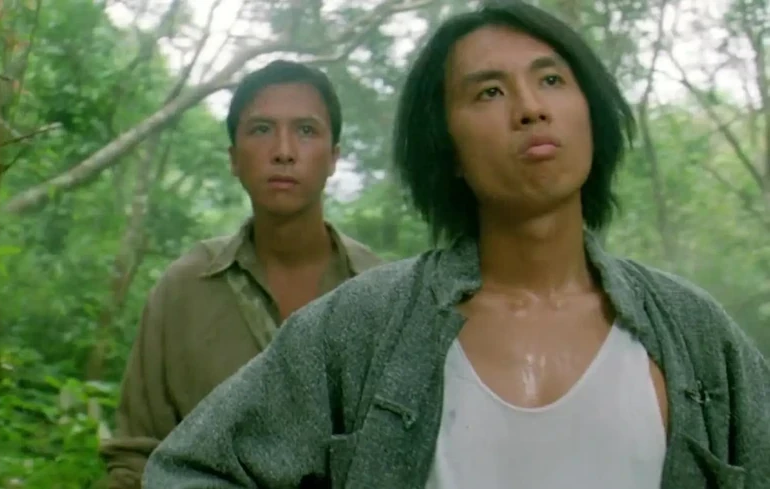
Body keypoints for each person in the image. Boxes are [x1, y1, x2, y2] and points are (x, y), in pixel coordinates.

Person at [142, 3, 770, 488]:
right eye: (489, 92)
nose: (530, 108)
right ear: (447, 150)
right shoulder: (363, 326)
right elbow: (188, 470)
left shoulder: (695, 333)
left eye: (552, 79)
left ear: (591, 114)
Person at [98, 60, 383, 489]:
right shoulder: (185, 290)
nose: (284, 151)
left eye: (306, 130)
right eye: (261, 129)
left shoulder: (381, 293)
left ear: (334, 158)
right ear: (234, 158)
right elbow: (136, 459)